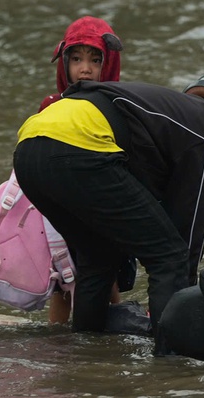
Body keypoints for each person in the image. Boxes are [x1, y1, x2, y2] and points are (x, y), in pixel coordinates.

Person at [12, 67, 204, 347]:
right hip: (78, 149)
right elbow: (188, 233)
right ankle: (170, 363)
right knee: (170, 258)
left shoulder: (166, 110)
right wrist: (186, 303)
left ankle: (84, 353)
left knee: (98, 258)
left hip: (28, 149)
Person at [35, 16, 126, 324]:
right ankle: (58, 339)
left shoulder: (119, 106)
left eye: (94, 59)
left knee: (105, 275)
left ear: (109, 63)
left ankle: (112, 334)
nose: (84, 68)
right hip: (59, 214)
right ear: (64, 62)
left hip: (102, 211)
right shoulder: (51, 105)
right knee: (61, 282)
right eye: (76, 59)